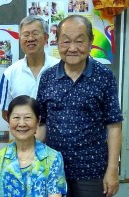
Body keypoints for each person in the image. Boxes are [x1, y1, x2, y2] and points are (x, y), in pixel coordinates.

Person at [36, 15, 123, 197]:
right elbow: (42, 123)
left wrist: (113, 169)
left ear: (90, 42)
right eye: (66, 41)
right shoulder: (47, 78)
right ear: (57, 42)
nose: (73, 48)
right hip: (53, 169)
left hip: (92, 172)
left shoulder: (104, 77)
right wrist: (26, 153)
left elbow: (114, 125)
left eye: (80, 41)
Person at [0, 95, 67, 196]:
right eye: (16, 117)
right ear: (8, 120)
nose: (22, 123)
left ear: (38, 121)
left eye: (28, 117)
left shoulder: (53, 158)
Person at [0, 16, 59, 122]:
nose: (30, 39)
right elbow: (6, 112)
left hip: (55, 136)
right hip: (25, 136)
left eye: (35, 33)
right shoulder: (10, 73)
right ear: (20, 39)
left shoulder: (60, 68)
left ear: (45, 37)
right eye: (25, 35)